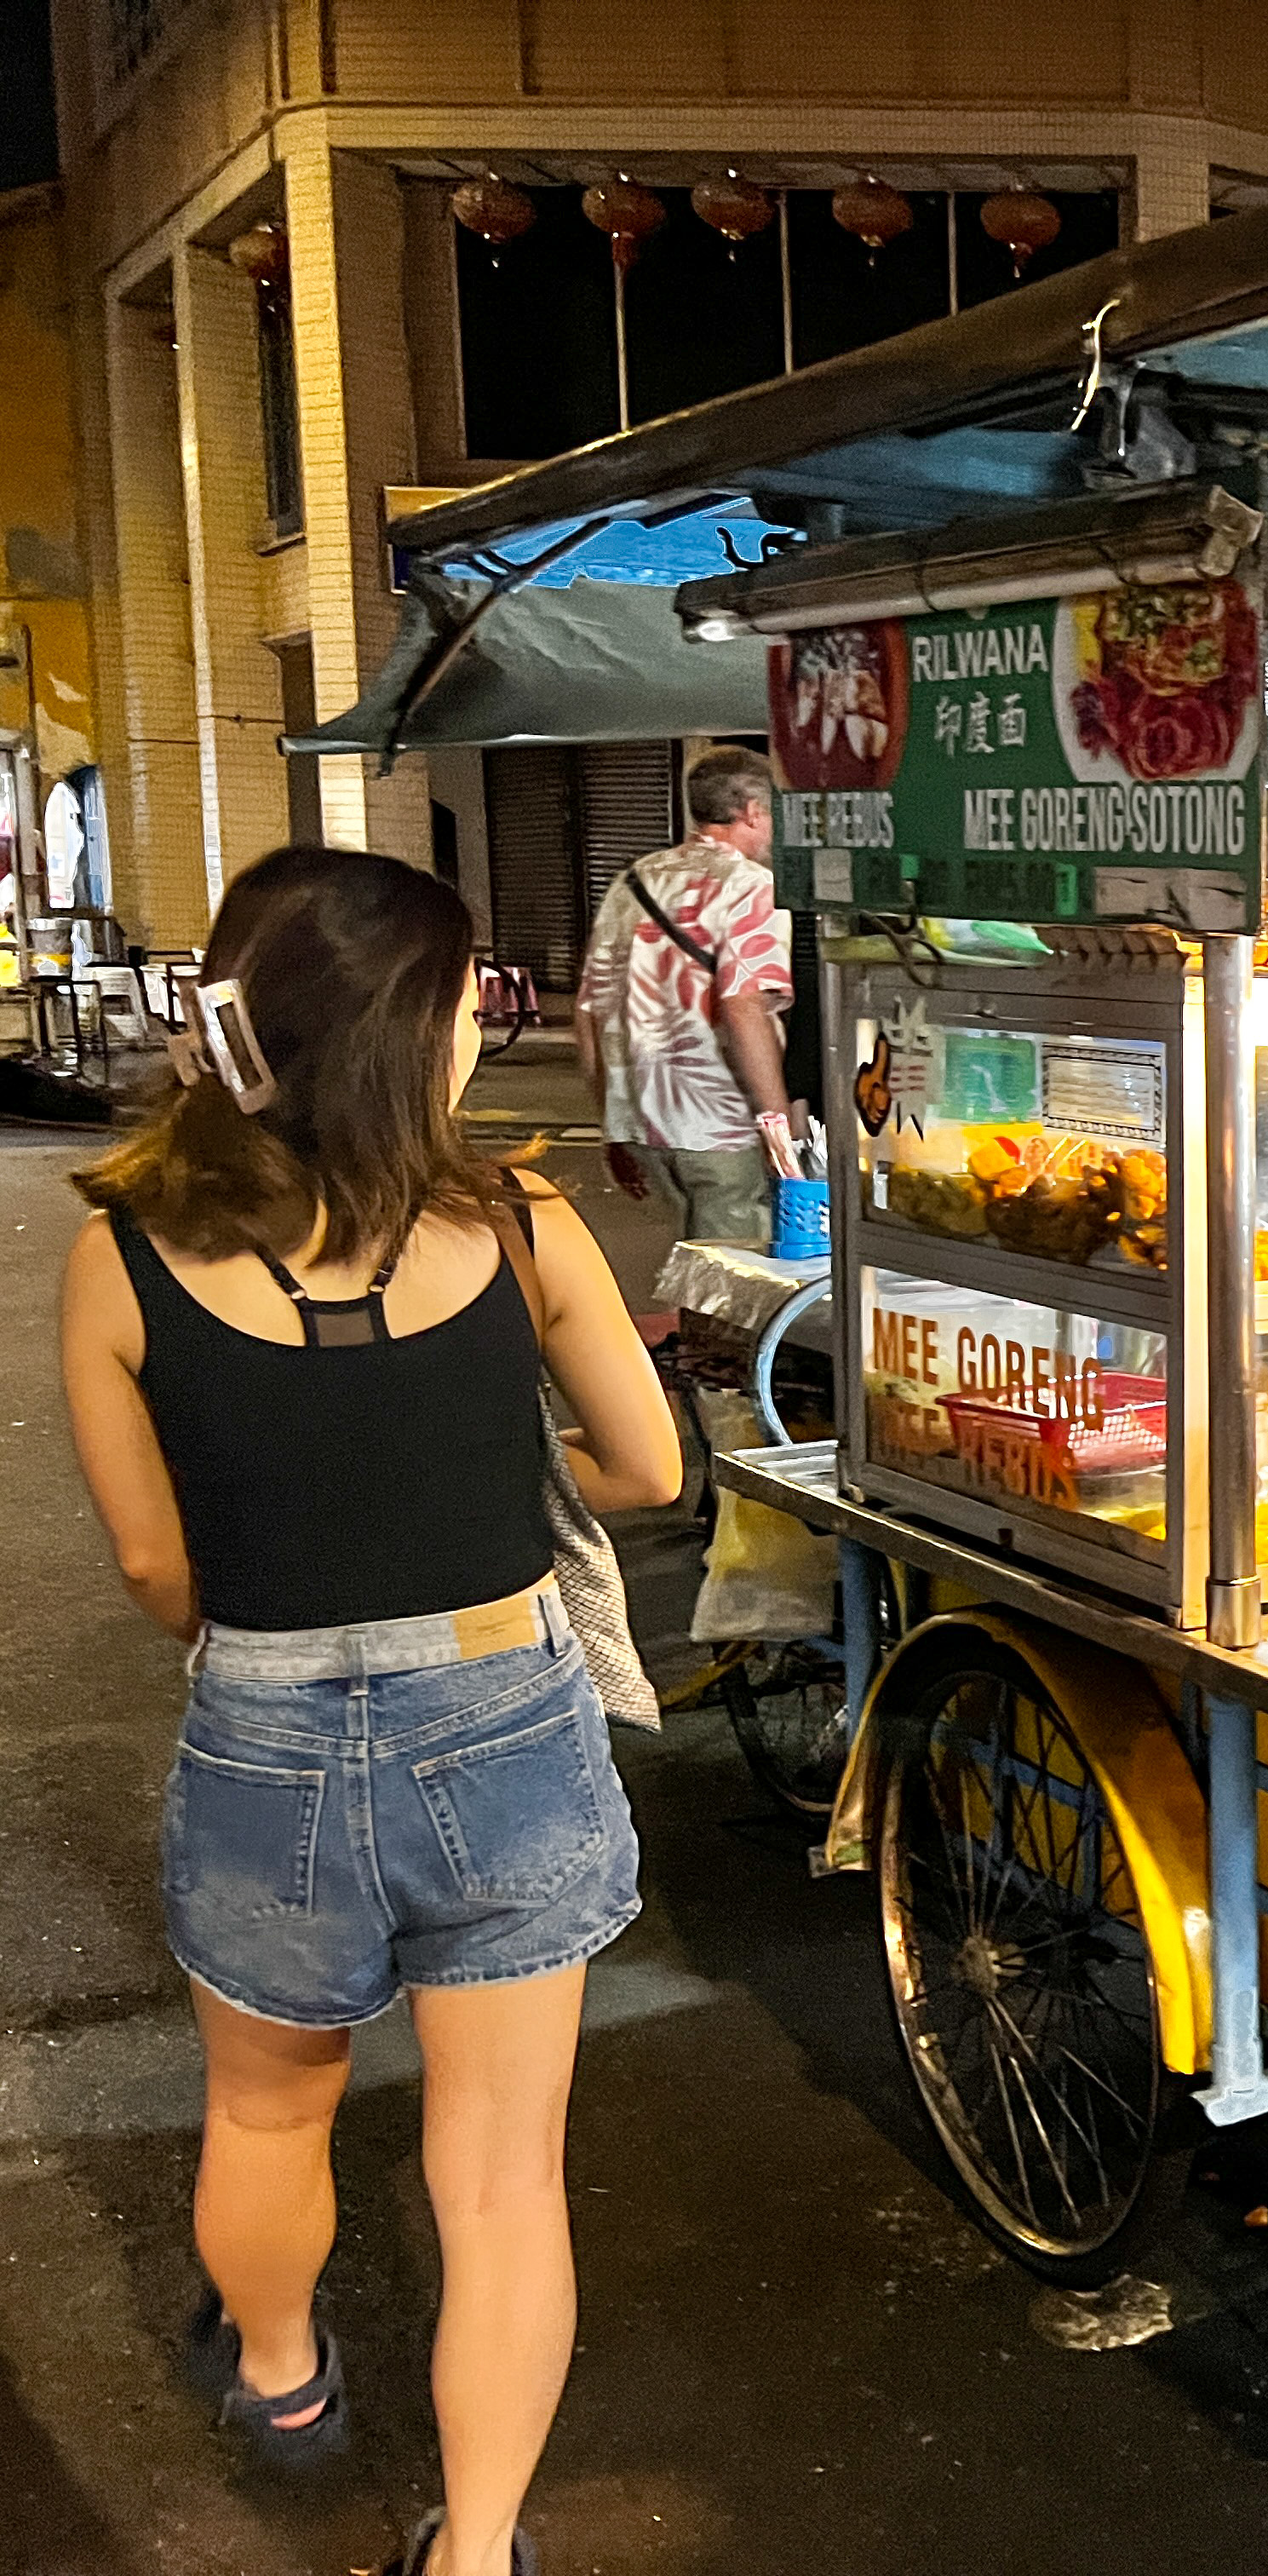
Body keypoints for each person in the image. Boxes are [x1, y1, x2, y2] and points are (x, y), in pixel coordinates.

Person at [62, 848, 684, 2576]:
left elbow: (151, 1566)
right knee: (499, 2187)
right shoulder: (521, 1223)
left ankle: (278, 2370)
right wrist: (472, 1464)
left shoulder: (125, 1254)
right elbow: (647, 1466)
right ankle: (476, 2552)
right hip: (503, 1716)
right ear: (413, 1037)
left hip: (262, 1723)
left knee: (268, 2106)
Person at [573, 744, 795, 1254]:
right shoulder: (750, 885)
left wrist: (614, 1125)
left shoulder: (633, 881)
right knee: (736, 1281)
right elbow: (743, 1007)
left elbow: (587, 1016)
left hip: (645, 1125)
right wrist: (778, 1128)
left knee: (696, 1267)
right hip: (719, 1124)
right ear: (753, 811)